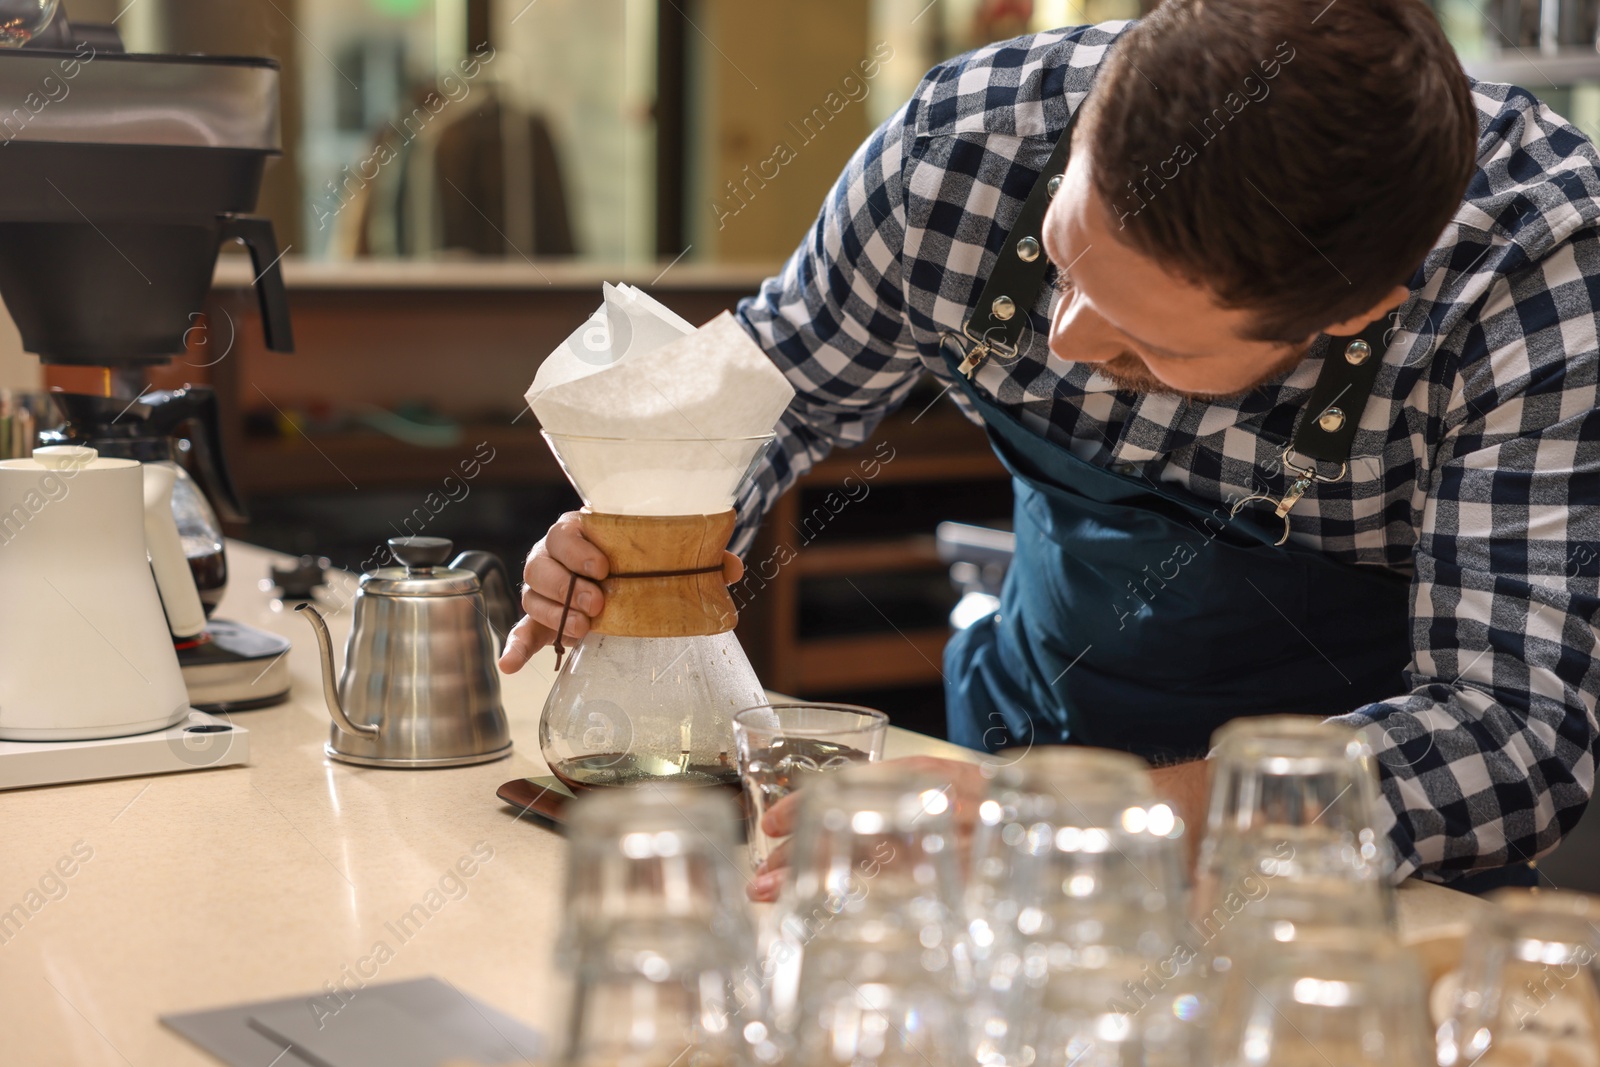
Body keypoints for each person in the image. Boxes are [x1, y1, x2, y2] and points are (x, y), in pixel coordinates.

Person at [501, 0, 1600, 898]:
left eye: (1144, 344)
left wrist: (1088, 824)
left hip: (1314, 891)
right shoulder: (960, 152)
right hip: (1014, 748)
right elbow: (769, 396)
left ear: (1353, 315)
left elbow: (1510, 736)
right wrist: (652, 539)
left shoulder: (1531, 275)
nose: (1069, 340)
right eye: (1067, 262)